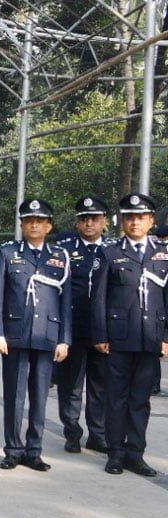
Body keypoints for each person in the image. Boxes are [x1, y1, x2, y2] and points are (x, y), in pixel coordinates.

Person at [0, 198, 71, 471]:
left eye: (40, 221)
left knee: (39, 396)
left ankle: (33, 450)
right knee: (14, 395)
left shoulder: (60, 257)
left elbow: (65, 301)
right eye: (29, 220)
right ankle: (13, 449)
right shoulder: (8, 253)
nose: (34, 225)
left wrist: (64, 338)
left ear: (49, 226)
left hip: (47, 335)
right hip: (15, 335)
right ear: (22, 224)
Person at [91, 192, 166, 477]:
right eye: (130, 217)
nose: (135, 222)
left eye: (141, 218)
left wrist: (166, 336)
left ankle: (136, 453)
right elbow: (98, 298)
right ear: (122, 221)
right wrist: (100, 335)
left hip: (150, 338)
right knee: (116, 398)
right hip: (118, 338)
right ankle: (115, 453)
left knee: (140, 399)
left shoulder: (163, 254)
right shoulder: (110, 252)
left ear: (151, 221)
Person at [55, 196, 113, 453]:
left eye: (94, 219)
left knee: (100, 385)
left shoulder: (112, 249)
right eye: (84, 219)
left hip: (104, 329)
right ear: (77, 222)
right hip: (73, 326)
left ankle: (97, 434)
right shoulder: (64, 248)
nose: (89, 223)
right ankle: (72, 432)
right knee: (71, 384)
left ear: (104, 222)